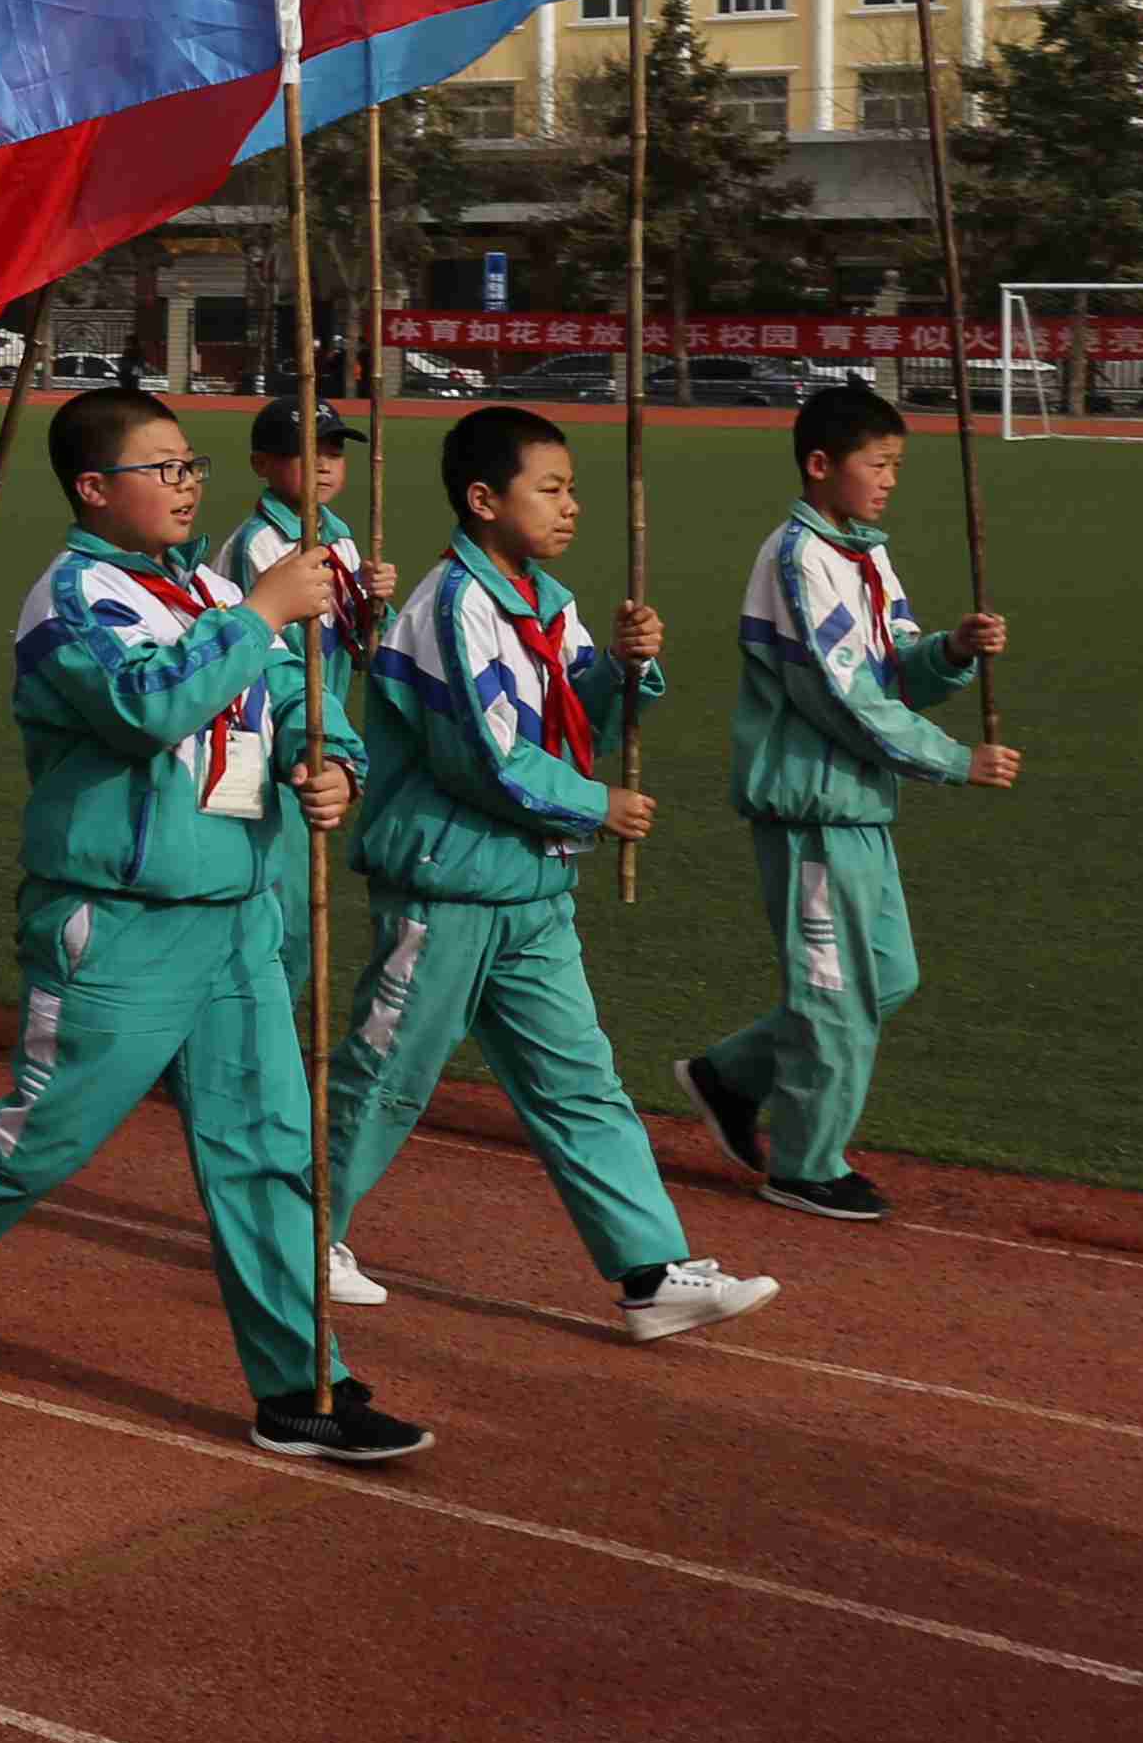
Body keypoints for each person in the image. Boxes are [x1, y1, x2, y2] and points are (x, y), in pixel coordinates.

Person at [0, 386, 423, 1461]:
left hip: (235, 914)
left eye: (191, 467)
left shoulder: (208, 587)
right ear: (95, 489)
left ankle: (303, 1385)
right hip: (119, 923)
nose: (187, 485)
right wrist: (262, 612)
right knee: (45, 1134)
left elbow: (295, 695)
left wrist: (328, 760)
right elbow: (146, 706)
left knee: (269, 1151)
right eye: (164, 468)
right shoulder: (70, 601)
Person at [330, 407, 774, 1338]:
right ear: (484, 499)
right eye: (551, 489)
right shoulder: (450, 607)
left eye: (573, 489)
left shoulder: (547, 604)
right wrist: (595, 805)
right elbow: (483, 759)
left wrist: (619, 669)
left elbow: (571, 722)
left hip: (530, 889)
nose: (572, 506)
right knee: (387, 1073)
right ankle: (295, 1231)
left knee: (581, 1081)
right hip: (448, 887)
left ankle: (650, 1272)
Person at [679, 382, 1019, 1227]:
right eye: (879, 464)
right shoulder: (799, 560)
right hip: (811, 810)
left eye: (898, 465)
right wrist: (955, 760)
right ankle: (805, 1165)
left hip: (857, 806)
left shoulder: (865, 556)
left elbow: (892, 670)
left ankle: (730, 1075)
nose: (891, 480)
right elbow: (844, 698)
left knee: (887, 977)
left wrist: (950, 652)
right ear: (821, 465)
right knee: (834, 994)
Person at [221, 400, 390, 991]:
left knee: (299, 912)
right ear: (262, 465)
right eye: (306, 452)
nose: (325, 465)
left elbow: (362, 650)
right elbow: (264, 660)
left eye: (335, 452)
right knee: (278, 907)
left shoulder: (340, 541)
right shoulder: (259, 546)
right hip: (268, 742)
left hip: (320, 730)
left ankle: (274, 1023)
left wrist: (373, 606)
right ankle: (252, 1022)